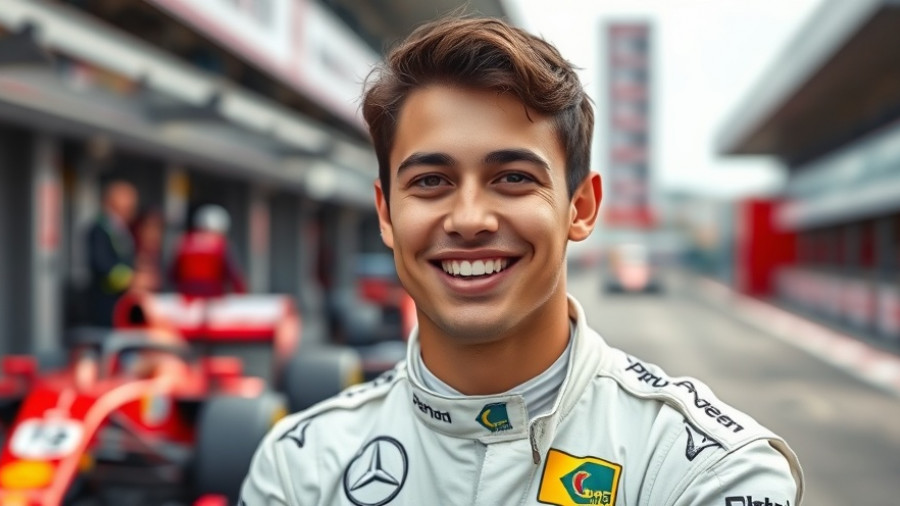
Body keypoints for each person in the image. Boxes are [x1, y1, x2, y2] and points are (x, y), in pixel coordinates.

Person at [241, 16, 804, 506]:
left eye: (512, 178)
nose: (469, 219)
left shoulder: (709, 470)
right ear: (386, 214)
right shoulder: (298, 467)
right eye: (431, 181)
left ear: (581, 208)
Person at [87, 180, 138, 327]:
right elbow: (101, 264)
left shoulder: (120, 228)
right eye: (127, 200)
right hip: (106, 303)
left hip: (121, 302)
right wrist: (132, 279)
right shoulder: (100, 229)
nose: (132, 205)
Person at [169, 204, 246, 297]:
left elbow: (173, 274)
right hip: (212, 299)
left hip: (187, 299)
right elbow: (232, 275)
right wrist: (242, 294)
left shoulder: (183, 241)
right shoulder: (220, 245)